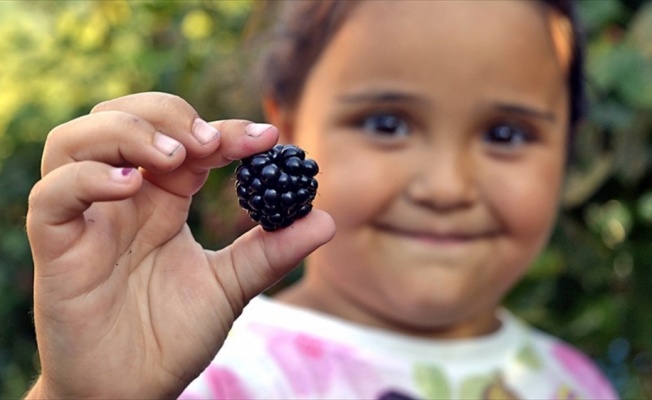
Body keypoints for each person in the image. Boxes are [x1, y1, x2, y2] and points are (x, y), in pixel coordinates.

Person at [24, 0, 618, 399]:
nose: (446, 187)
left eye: (506, 134)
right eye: (386, 124)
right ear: (285, 120)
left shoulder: (578, 384)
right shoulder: (203, 372)